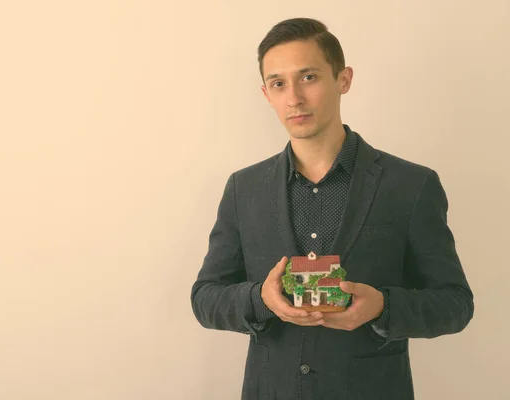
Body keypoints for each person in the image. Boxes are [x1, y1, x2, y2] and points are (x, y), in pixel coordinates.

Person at [190, 17, 474, 400]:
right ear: (266, 94)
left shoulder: (411, 185)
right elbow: (205, 297)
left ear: (343, 79)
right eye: (278, 83)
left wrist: (383, 307)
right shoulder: (244, 188)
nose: (294, 98)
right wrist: (260, 299)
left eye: (308, 77)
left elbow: (454, 303)